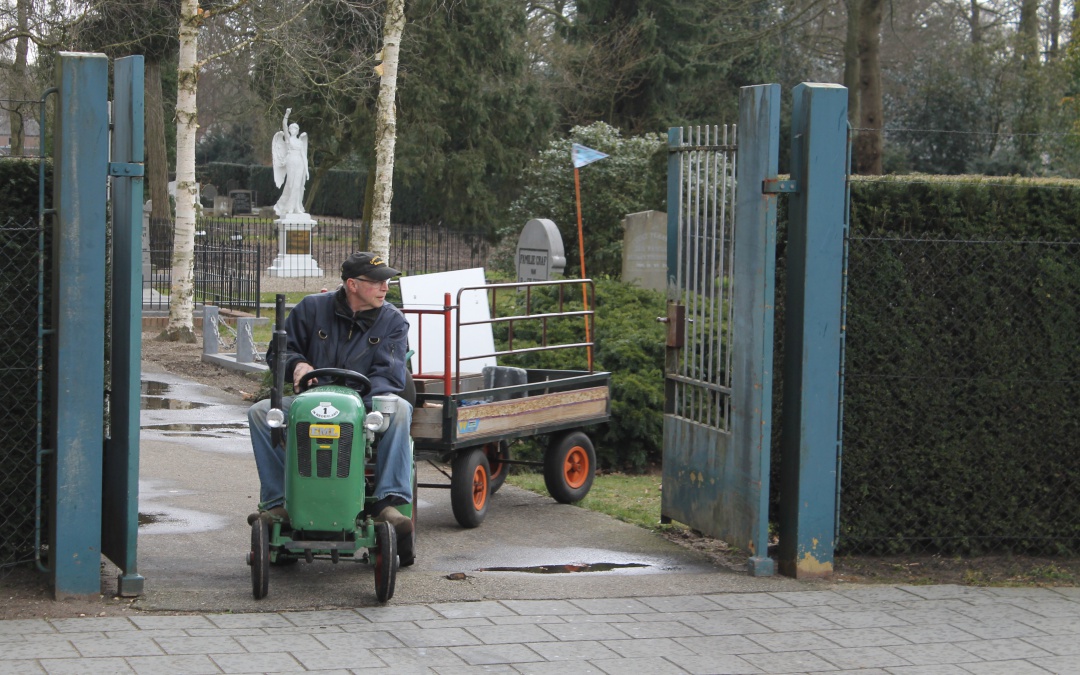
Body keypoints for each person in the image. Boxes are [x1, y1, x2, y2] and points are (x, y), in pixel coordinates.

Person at [247, 252, 413, 537]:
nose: (385, 288)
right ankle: (279, 502)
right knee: (261, 413)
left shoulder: (393, 321)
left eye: (387, 281)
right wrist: (297, 365)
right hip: (310, 401)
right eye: (377, 282)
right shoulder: (311, 308)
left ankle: (389, 501)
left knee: (399, 410)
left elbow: (389, 374)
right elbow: (279, 351)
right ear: (352, 284)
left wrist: (356, 405)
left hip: (364, 403)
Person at [271, 108, 309, 217]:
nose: (293, 130)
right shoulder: (288, 139)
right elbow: (284, 124)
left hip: (300, 163)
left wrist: (307, 171)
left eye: (295, 128)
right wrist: (287, 114)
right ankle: (287, 207)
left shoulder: (300, 142)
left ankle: (296, 207)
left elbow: (304, 156)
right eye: (291, 128)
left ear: (298, 131)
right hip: (291, 160)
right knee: (291, 184)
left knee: (298, 185)